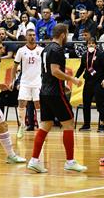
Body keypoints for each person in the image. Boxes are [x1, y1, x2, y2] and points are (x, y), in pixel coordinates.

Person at [27, 23, 87, 173]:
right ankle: (70, 161)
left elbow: (47, 72)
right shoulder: (57, 49)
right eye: (67, 34)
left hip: (45, 92)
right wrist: (71, 80)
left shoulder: (46, 48)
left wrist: (62, 83)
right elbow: (54, 71)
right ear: (63, 35)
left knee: (45, 125)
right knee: (69, 123)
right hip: (55, 93)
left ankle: (34, 160)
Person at [10, 29, 43, 138]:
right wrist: (12, 80)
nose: (32, 37)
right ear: (26, 37)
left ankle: (40, 127)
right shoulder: (21, 50)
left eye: (34, 35)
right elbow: (14, 66)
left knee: (38, 104)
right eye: (30, 35)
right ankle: (22, 126)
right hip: (25, 81)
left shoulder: (41, 50)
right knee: (21, 103)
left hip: (37, 81)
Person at [75, 38, 104, 132]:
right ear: (86, 45)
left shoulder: (100, 54)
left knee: (100, 104)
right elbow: (81, 68)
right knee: (86, 104)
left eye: (92, 43)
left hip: (98, 82)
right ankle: (87, 124)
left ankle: (102, 124)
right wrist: (76, 77)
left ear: (96, 45)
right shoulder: (84, 56)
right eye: (89, 43)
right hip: (88, 83)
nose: (91, 45)